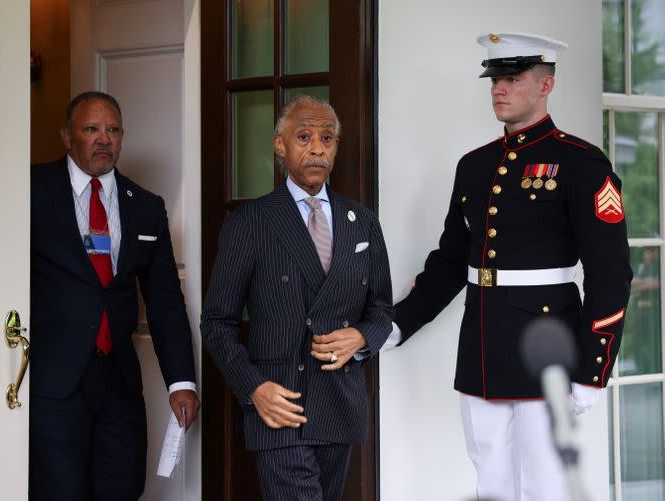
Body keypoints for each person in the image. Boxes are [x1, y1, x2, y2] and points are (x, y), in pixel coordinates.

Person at [391, 33, 632, 501]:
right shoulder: (475, 166)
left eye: (513, 79)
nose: (499, 89)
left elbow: (610, 273)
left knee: (544, 486)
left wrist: (593, 367)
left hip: (548, 350)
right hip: (481, 346)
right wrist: (398, 324)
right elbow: (449, 264)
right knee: (492, 484)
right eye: (495, 79)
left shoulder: (581, 163)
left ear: (546, 85)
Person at [201, 95, 394, 501]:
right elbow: (217, 323)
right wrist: (253, 388)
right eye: (304, 136)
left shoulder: (363, 223)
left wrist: (361, 339)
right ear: (279, 145)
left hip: (339, 404)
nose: (318, 148)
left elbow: (380, 310)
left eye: (328, 138)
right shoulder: (250, 222)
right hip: (279, 404)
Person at [29, 91, 200, 500]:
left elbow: (165, 302)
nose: (103, 138)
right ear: (67, 137)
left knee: (122, 488)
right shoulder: (30, 192)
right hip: (54, 384)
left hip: (119, 384)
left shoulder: (145, 206)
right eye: (91, 129)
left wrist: (181, 381)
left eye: (113, 130)